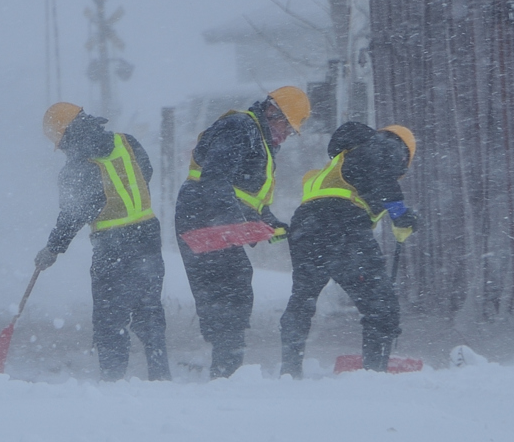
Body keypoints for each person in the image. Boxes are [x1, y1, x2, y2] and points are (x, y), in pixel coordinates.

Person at [175, 86, 310, 378]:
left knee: (232, 286)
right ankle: (225, 365)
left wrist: (269, 222)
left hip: (212, 215)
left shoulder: (259, 141)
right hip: (201, 214)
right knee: (227, 287)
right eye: (287, 127)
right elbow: (214, 177)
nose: (286, 136)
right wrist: (233, 221)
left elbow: (247, 196)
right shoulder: (240, 128)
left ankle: (226, 361)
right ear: (273, 113)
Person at [35, 102, 171, 381]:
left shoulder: (77, 168)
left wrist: (53, 249)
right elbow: (146, 174)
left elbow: (71, 216)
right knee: (149, 312)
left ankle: (113, 381)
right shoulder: (127, 142)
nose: (62, 150)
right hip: (147, 238)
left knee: (111, 319)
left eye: (60, 144)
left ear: (66, 137)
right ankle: (160, 376)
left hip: (112, 248)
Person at [279, 122, 418, 378]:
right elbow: (382, 173)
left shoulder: (343, 161)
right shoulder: (384, 147)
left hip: (305, 227)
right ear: (403, 153)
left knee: (303, 299)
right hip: (343, 226)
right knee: (381, 306)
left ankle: (289, 370)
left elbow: (369, 180)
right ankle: (374, 375)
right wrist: (401, 216)